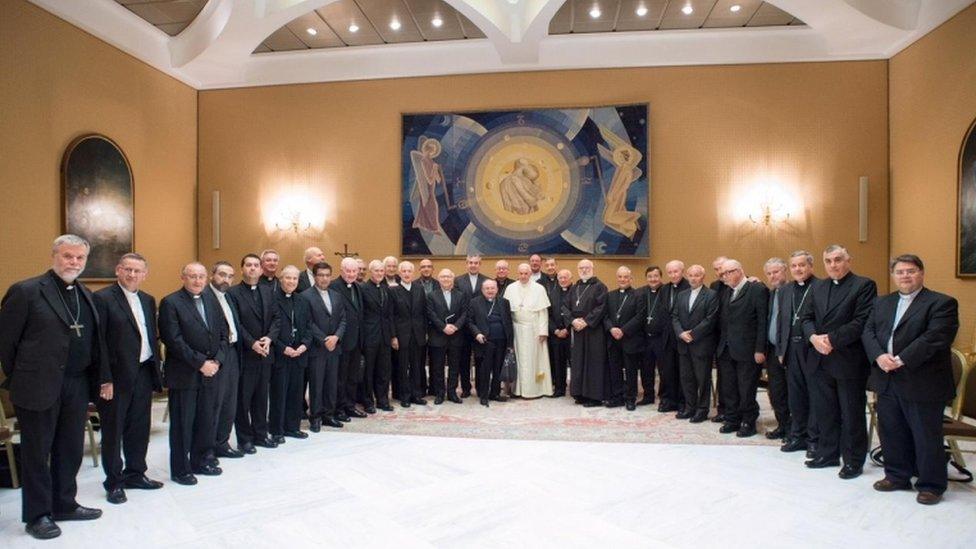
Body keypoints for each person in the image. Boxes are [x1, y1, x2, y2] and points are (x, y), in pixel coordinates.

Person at [0, 234, 108, 539]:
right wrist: (24, 374)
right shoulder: (26, 291)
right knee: (37, 452)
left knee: (71, 448)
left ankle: (64, 503)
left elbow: (91, 340)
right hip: (37, 385)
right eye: (67, 256)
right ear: (54, 256)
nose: (74, 262)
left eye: (79, 258)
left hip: (76, 383)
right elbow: (6, 342)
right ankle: (37, 515)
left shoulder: (84, 294)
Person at [862, 254, 958, 505]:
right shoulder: (881, 303)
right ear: (893, 275)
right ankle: (896, 476)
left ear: (922, 273)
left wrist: (901, 359)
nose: (905, 276)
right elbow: (868, 332)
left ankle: (931, 484)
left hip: (922, 380)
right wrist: (880, 356)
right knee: (891, 431)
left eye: (911, 271)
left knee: (925, 435)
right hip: (887, 378)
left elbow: (935, 338)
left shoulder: (942, 303)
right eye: (900, 271)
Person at [801, 244, 877, 479]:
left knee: (851, 412)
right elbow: (805, 317)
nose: (833, 265)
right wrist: (813, 337)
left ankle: (854, 460)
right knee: (825, 411)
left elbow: (862, 321)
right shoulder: (818, 287)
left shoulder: (864, 285)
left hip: (848, 360)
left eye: (838, 259)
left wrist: (831, 340)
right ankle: (828, 453)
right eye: (829, 261)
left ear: (848, 260)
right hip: (819, 358)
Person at [93, 253, 163, 505]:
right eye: (128, 270)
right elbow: (98, 343)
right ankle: (114, 482)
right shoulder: (102, 299)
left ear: (145, 274)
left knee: (139, 427)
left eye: (138, 271)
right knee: (113, 431)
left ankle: (136, 473)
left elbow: (149, 337)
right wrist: (104, 379)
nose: (132, 275)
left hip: (143, 372)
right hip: (116, 377)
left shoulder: (147, 299)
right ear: (118, 270)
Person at [158, 262, 228, 485]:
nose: (197, 281)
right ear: (183, 277)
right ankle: (180, 469)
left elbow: (223, 333)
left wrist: (217, 360)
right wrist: (200, 363)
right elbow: (173, 340)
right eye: (192, 276)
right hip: (185, 373)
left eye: (201, 277)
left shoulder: (211, 300)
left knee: (206, 419)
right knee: (182, 424)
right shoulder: (171, 302)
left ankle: (201, 460)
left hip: (211, 371)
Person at [229, 254, 281, 453]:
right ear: (242, 269)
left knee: (261, 397)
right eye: (248, 265)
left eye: (255, 265)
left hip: (266, 352)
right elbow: (235, 323)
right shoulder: (233, 293)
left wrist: (269, 338)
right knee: (243, 399)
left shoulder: (269, 291)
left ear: (260, 270)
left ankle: (260, 434)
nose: (252, 268)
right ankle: (245, 439)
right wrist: (252, 343)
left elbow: (277, 319)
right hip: (245, 354)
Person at [715, 259, 768, 438]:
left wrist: (760, 349)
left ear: (740, 270)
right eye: (723, 274)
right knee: (729, 387)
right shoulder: (727, 292)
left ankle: (748, 420)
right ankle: (732, 418)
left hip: (748, 350)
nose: (726, 276)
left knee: (746, 388)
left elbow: (763, 321)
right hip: (727, 349)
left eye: (729, 272)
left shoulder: (756, 289)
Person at [776, 251, 821, 456]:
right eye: (794, 266)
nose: (798, 269)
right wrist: (780, 349)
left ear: (810, 266)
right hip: (790, 349)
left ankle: (814, 440)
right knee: (795, 396)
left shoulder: (820, 287)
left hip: (811, 349)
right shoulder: (785, 290)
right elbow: (781, 321)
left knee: (814, 396)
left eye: (802, 265)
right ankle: (797, 436)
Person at [302, 262, 347, 431]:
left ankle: (329, 415)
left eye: (327, 275)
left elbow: (343, 319)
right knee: (316, 384)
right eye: (321, 275)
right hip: (317, 348)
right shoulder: (305, 296)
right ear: (314, 276)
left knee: (331, 383)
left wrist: (336, 337)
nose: (325, 278)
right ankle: (315, 417)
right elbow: (308, 322)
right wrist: (324, 340)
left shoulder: (336, 295)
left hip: (334, 347)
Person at [269, 266, 312, 442]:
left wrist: (304, 345)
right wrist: (282, 347)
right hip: (281, 354)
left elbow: (309, 326)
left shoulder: (301, 300)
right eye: (288, 278)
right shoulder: (272, 299)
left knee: (296, 393)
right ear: (281, 280)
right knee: (279, 393)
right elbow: (270, 328)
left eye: (295, 279)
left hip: (299, 354)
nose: (292, 282)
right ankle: (277, 430)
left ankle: (292, 427)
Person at [671, 265, 719, 422]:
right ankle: (690, 407)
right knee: (687, 378)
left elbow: (710, 319)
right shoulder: (682, 295)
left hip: (701, 345)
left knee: (702, 379)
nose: (693, 278)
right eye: (690, 275)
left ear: (703, 276)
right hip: (684, 344)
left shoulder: (711, 295)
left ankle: (702, 409)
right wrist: (680, 333)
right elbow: (675, 316)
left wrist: (692, 334)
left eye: (696, 275)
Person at [207, 261, 244, 460]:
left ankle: (223, 442)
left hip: (232, 353)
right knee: (215, 404)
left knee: (230, 402)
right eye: (222, 275)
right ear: (212, 275)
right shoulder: (205, 296)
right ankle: (208, 447)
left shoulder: (228, 297)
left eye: (230, 276)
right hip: (216, 356)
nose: (226, 279)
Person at [504, 263, 553, 398]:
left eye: (526, 273)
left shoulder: (539, 289)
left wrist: (543, 331)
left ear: (530, 274)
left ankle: (535, 389)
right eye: (521, 273)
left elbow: (543, 312)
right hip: (517, 330)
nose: (523, 276)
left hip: (534, 331)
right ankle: (517, 389)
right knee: (518, 360)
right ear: (517, 273)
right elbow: (506, 312)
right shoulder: (511, 288)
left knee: (535, 361)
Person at [329, 257, 368, 419]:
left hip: (356, 340)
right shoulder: (334, 287)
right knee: (340, 378)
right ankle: (338, 409)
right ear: (341, 270)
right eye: (348, 271)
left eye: (354, 271)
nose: (351, 274)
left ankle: (350, 406)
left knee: (353, 376)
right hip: (342, 340)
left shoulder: (357, 287)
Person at [604, 266, 646, 410]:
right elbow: (605, 316)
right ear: (617, 278)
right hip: (613, 339)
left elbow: (640, 317)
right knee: (614, 369)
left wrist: (623, 330)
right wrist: (611, 328)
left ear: (631, 278)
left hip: (630, 339)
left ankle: (630, 398)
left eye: (625, 277)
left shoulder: (638, 295)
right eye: (620, 277)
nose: (622, 280)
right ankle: (617, 397)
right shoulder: (610, 295)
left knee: (630, 370)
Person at [569, 259, 609, 407]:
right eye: (581, 268)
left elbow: (602, 307)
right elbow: (565, 307)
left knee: (593, 362)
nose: (584, 270)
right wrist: (573, 321)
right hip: (578, 330)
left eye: (587, 267)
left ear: (592, 268)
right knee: (578, 361)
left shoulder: (600, 287)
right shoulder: (575, 287)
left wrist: (586, 321)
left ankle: (594, 396)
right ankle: (579, 394)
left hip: (593, 330)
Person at [469, 280, 514, 406]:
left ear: (497, 289)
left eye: (492, 288)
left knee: (498, 368)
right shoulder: (474, 302)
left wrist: (510, 343)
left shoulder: (504, 302)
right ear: (482, 290)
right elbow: (470, 321)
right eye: (487, 288)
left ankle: (495, 393)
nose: (490, 291)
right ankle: (483, 395)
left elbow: (509, 323)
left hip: (501, 340)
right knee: (485, 369)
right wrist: (477, 333)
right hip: (484, 341)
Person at [390, 261, 428, 407]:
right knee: (402, 366)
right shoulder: (393, 290)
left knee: (417, 366)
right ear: (399, 273)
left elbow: (424, 313)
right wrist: (393, 336)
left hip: (418, 334)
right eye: (404, 271)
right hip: (401, 336)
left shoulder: (419, 289)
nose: (406, 274)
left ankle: (416, 395)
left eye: (409, 271)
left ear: (413, 273)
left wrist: (424, 332)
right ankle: (404, 396)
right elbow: (391, 315)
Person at [426, 269, 468, 404]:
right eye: (443, 276)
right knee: (438, 368)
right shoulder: (431, 296)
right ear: (438, 279)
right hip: (438, 336)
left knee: (454, 367)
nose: (445, 279)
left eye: (448, 277)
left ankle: (452, 393)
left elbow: (464, 313)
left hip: (456, 336)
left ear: (453, 279)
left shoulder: (461, 295)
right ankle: (439, 393)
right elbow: (431, 314)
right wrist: (443, 327)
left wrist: (455, 327)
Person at [361, 259, 395, 413]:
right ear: (370, 271)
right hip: (369, 336)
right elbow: (361, 315)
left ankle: (382, 400)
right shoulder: (363, 289)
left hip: (385, 335)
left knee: (384, 370)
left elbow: (390, 314)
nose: (380, 273)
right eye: (377, 271)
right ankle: (368, 401)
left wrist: (392, 335)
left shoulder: (386, 288)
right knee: (368, 371)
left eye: (382, 271)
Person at [763, 258, 791, 440]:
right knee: (776, 391)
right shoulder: (772, 293)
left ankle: (795, 429)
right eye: (769, 273)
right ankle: (783, 425)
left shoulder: (792, 291)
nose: (773, 276)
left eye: (776, 272)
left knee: (792, 392)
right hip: (772, 350)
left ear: (785, 271)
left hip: (789, 351)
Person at [658, 260, 690, 412]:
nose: (673, 275)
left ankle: (683, 402)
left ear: (682, 271)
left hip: (684, 336)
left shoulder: (689, 287)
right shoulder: (664, 289)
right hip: (667, 337)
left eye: (675, 271)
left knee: (683, 371)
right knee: (668, 370)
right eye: (670, 272)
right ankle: (669, 400)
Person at [454, 254, 487, 398]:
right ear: (466, 264)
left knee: (480, 358)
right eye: (470, 263)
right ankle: (466, 388)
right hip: (462, 327)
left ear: (480, 264)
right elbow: (456, 302)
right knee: (464, 359)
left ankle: (481, 387)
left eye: (476, 263)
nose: (473, 265)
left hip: (480, 326)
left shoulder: (487, 280)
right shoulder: (458, 280)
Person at [638, 266, 665, 406]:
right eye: (650, 276)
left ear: (660, 277)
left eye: (655, 276)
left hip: (660, 338)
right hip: (645, 338)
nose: (653, 279)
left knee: (663, 369)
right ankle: (648, 396)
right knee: (646, 368)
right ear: (646, 278)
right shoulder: (641, 292)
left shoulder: (666, 291)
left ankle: (663, 397)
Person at [547, 269, 573, 397]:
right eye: (560, 278)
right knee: (558, 362)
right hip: (556, 334)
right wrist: (556, 330)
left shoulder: (576, 292)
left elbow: (577, 313)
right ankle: (559, 389)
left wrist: (567, 329)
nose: (563, 280)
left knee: (574, 362)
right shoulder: (552, 294)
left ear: (570, 278)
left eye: (565, 277)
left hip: (572, 334)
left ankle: (576, 389)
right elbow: (548, 315)